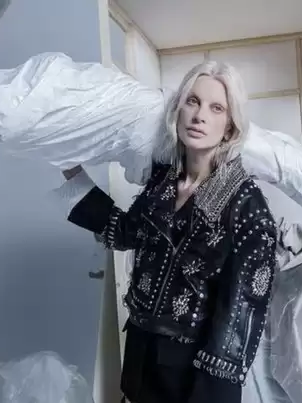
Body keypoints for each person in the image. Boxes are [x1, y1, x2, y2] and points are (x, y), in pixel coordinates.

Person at [56, 61, 278, 403]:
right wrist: (68, 165)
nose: (199, 116)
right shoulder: (163, 181)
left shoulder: (246, 205)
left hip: (192, 373)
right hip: (140, 356)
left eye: (216, 108)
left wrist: (211, 389)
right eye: (193, 101)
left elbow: (242, 310)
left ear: (230, 127)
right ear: (179, 110)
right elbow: (125, 232)